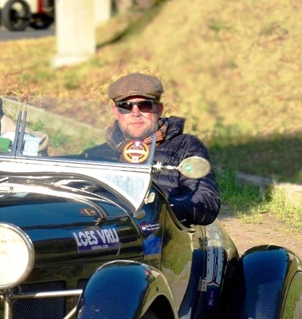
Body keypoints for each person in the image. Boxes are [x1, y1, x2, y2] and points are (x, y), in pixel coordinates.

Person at [87, 72, 221, 226]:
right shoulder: (94, 155)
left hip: (165, 237)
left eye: (144, 105)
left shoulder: (185, 146)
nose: (135, 113)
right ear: (116, 112)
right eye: (125, 106)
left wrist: (158, 208)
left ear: (159, 109)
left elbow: (206, 199)